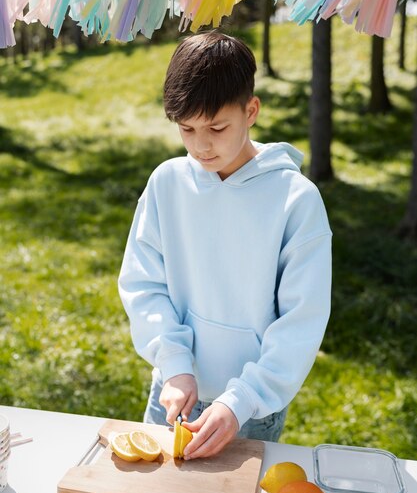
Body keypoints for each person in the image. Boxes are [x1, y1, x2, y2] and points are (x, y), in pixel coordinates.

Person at [118, 31, 332, 461]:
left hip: (249, 409)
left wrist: (241, 401)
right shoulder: (167, 183)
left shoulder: (296, 200)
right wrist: (175, 364)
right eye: (187, 129)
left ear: (250, 110)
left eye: (217, 127)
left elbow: (301, 321)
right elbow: (144, 284)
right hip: (174, 388)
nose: (201, 145)